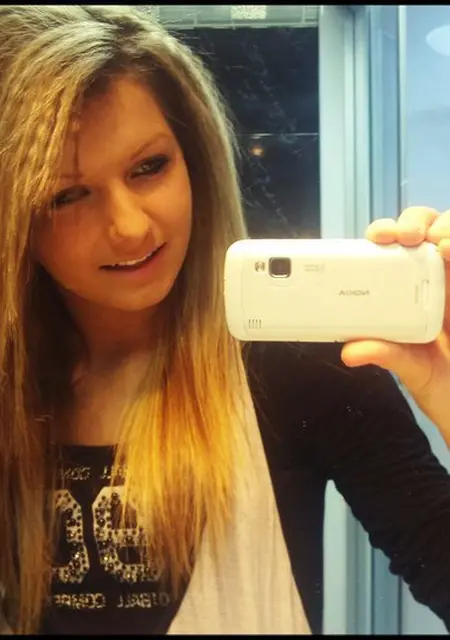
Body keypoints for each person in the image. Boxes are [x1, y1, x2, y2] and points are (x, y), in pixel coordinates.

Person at [1, 5, 450, 635]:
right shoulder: (14, 385)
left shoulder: (303, 364)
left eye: (149, 167)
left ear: (195, 161)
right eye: (67, 195)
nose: (129, 226)